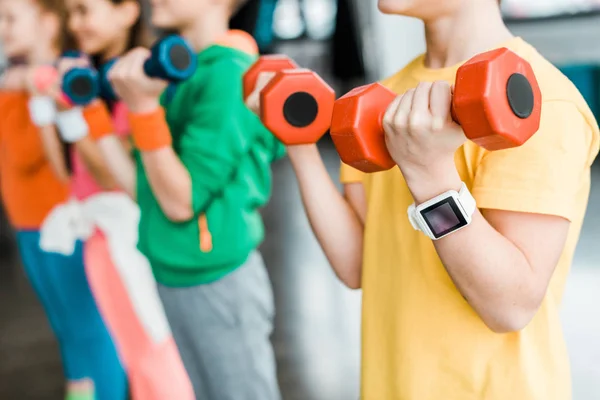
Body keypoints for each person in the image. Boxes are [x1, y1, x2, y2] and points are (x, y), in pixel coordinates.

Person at [247, 0, 600, 399]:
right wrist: (299, 143)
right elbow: (358, 263)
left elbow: (509, 306)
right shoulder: (386, 95)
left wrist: (431, 176)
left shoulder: (542, 100)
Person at [104, 0, 285, 398]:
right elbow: (144, 187)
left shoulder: (228, 75)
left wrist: (143, 107)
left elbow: (181, 202)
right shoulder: (184, 70)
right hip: (174, 268)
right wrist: (89, 114)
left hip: (216, 276)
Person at [34, 0, 196, 399]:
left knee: (152, 354)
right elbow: (67, 175)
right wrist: (48, 112)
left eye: (85, 10)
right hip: (98, 237)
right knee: (129, 352)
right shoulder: (88, 79)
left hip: (127, 236)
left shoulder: (135, 84)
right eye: (71, 13)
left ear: (127, 11)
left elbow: (117, 176)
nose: (76, 23)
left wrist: (75, 114)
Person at [0, 1, 126, 400]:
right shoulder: (19, 82)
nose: (1, 28)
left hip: (63, 224)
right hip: (28, 225)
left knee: (90, 333)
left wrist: (31, 86)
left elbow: (32, 158)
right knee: (69, 333)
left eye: (10, 18)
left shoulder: (62, 83)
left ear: (48, 22)